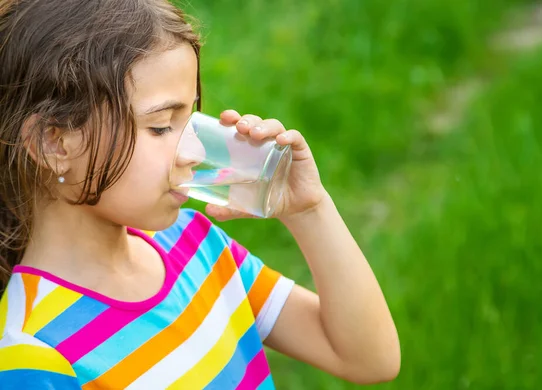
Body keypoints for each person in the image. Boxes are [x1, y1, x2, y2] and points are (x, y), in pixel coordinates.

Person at [0, 0, 400, 388]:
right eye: (160, 127)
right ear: (54, 144)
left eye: (189, 119)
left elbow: (368, 358)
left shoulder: (196, 246)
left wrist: (308, 209)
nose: (194, 152)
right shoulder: (33, 352)